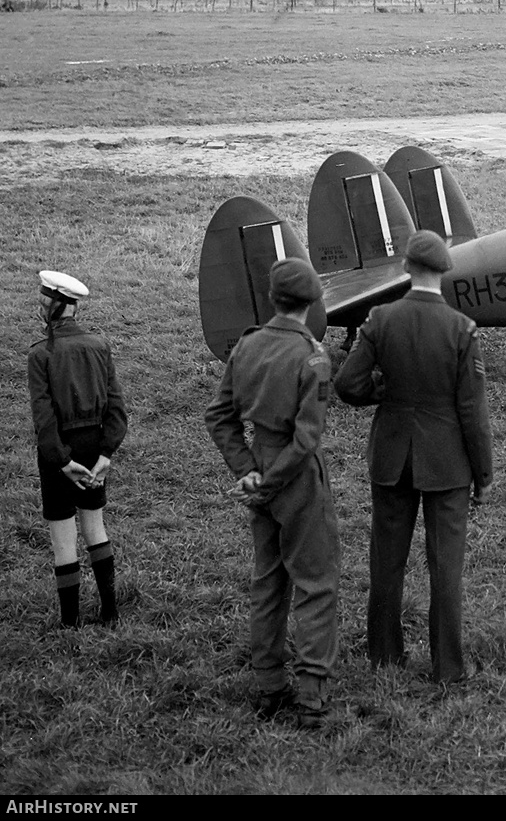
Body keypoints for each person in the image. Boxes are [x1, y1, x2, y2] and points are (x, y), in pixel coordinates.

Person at [334, 231, 493, 685]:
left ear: (406, 269)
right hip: (447, 464)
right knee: (446, 566)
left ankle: (384, 657)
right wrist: (482, 474)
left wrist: (379, 392)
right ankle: (448, 667)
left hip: (391, 456)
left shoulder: (381, 319)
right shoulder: (461, 329)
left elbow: (348, 383)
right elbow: (472, 411)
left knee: (387, 561)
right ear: (444, 273)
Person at [204, 257, 340, 726]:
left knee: (268, 580)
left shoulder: (247, 346)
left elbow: (219, 415)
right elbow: (307, 438)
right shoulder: (313, 357)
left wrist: (248, 472)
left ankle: (268, 684)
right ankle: (312, 696)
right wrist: (273, 482)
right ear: (314, 303)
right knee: (316, 583)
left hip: (260, 465)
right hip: (296, 476)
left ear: (272, 298)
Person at [28, 271, 128, 628]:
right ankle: (110, 611)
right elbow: (116, 407)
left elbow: (44, 418)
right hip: (94, 446)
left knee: (63, 540)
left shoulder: (41, 354)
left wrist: (62, 461)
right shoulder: (100, 346)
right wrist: (105, 455)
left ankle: (70, 622)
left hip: (59, 450)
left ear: (53, 307)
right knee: (95, 528)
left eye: (42, 303)